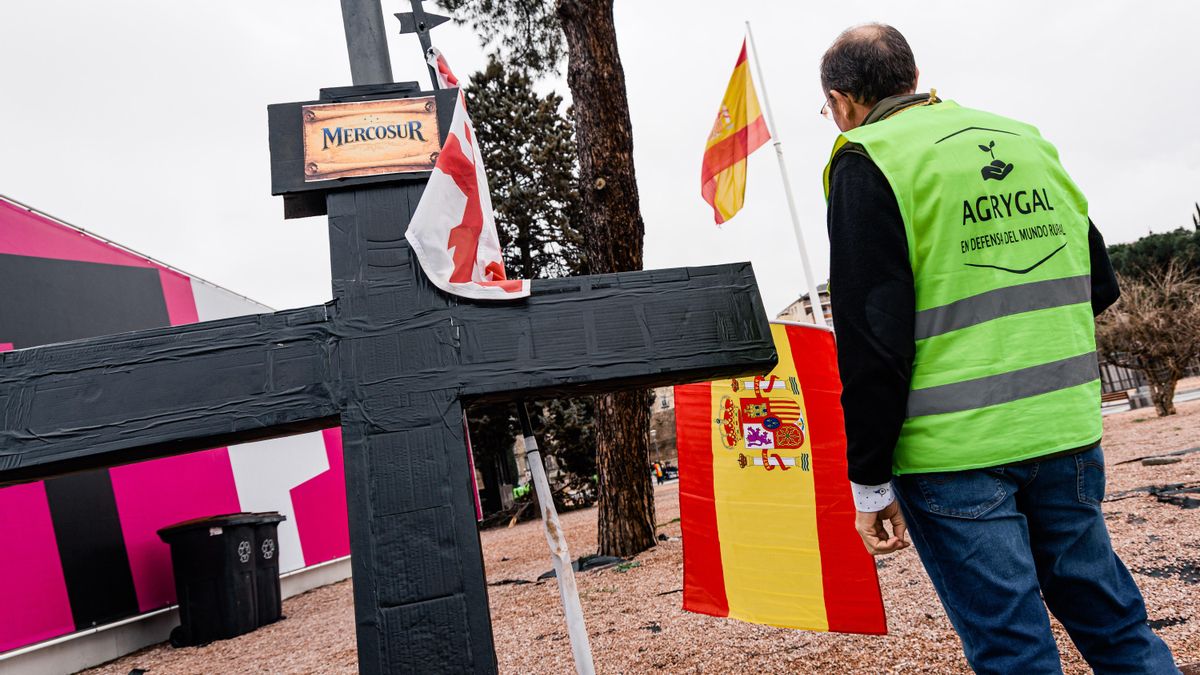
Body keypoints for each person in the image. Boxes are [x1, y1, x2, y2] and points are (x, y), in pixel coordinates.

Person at [820, 23, 1179, 674]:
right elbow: (1097, 283)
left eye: (829, 111)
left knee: (1015, 650)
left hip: (955, 450)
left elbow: (873, 339)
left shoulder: (867, 158)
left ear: (843, 102)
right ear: (912, 75)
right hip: (1064, 431)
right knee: (1116, 626)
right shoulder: (1023, 139)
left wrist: (868, 481)